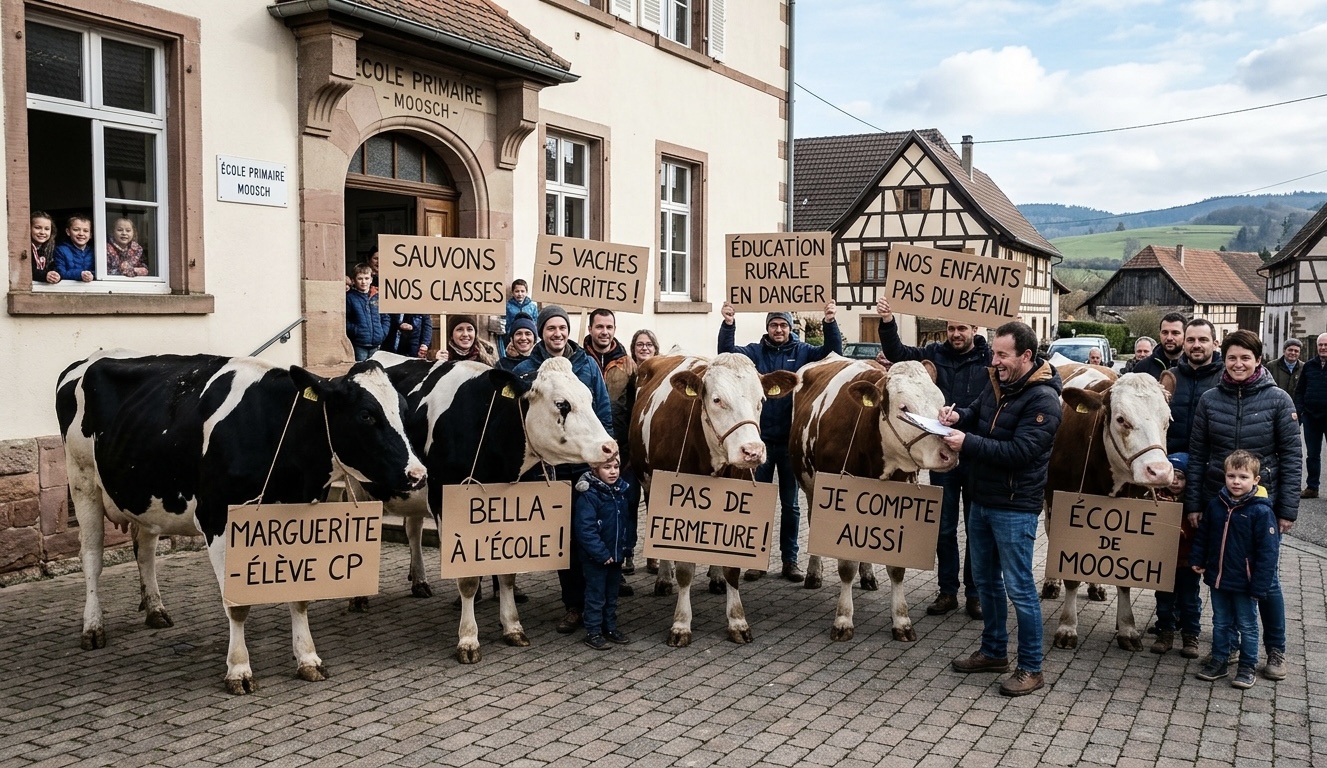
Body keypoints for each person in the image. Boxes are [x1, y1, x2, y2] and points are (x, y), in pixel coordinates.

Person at [940, 321, 1061, 697]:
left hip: (1014, 506)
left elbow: (1021, 453)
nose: (994, 361)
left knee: (1020, 588)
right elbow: (976, 411)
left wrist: (967, 442)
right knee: (988, 582)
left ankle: (1031, 667)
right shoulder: (998, 383)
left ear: (1026, 356)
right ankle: (993, 651)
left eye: (1002, 355)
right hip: (983, 500)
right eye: (994, 353)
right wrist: (955, 418)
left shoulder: (1044, 400)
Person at [1186, 329, 1299, 683]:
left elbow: (1293, 456)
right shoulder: (1209, 399)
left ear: (1258, 361)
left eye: (1245, 358)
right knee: (1223, 578)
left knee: (1267, 581)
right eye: (1232, 357)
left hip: (1261, 508)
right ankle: (1228, 646)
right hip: (1218, 503)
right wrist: (1195, 503)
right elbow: (1198, 454)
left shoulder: (1279, 399)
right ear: (1225, 358)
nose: (1238, 364)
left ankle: (1275, 648)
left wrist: (1287, 510)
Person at [876, 296, 990, 619]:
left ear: (975, 329)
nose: (956, 334)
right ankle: (948, 591)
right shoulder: (934, 354)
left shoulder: (989, 359)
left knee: (976, 527)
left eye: (962, 329)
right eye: (951, 328)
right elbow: (899, 354)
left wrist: (1020, 331)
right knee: (943, 527)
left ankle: (975, 593)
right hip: (940, 452)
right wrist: (887, 322)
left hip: (975, 451)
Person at [720, 301, 842, 582]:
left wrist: (829, 321)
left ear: (791, 328)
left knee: (791, 506)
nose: (779, 329)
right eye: (774, 325)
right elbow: (727, 352)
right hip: (758, 444)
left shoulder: (803, 353)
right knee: (755, 503)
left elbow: (832, 351)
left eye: (783, 325)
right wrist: (728, 324)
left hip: (790, 445)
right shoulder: (753, 353)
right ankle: (756, 560)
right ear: (767, 328)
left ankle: (790, 561)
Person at [513, 305, 614, 633]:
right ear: (542, 331)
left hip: (584, 465)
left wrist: (607, 455)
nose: (557, 333)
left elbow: (602, 411)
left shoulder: (586, 365)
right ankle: (574, 605)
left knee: (591, 533)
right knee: (566, 539)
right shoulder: (528, 369)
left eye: (562, 327)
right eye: (550, 328)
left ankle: (598, 605)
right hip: (550, 468)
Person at [1189, 450, 1280, 689]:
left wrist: (1260, 585)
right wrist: (1198, 558)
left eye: (1243, 477)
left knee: (1247, 625)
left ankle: (1247, 665)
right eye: (1231, 476)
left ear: (1256, 480)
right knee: (1220, 622)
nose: (1236, 482)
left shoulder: (1261, 511)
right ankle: (1219, 660)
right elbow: (1204, 535)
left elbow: (1268, 554)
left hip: (1245, 583)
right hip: (1218, 578)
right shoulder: (1216, 505)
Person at [583, 309, 639, 584]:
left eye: (609, 326)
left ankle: (619, 570)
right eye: (599, 326)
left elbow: (636, 407)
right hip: (584, 450)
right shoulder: (578, 361)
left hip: (620, 451)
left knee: (620, 511)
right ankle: (589, 572)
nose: (604, 332)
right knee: (591, 513)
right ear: (590, 328)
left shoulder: (628, 365)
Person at [573, 456, 634, 650]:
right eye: (607, 467)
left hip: (615, 555)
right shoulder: (589, 496)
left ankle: (610, 627)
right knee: (596, 595)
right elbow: (585, 529)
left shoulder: (620, 492)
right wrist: (600, 553)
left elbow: (626, 522)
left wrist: (626, 546)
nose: (613, 471)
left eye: (616, 466)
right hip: (596, 558)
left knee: (612, 594)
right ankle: (593, 631)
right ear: (594, 469)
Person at [1150, 453, 1201, 656]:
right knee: (1163, 599)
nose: (1176, 482)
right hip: (1164, 560)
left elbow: (1201, 535)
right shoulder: (1156, 499)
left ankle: (1191, 636)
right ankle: (1165, 633)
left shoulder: (1195, 505)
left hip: (1187, 561)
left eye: (1181, 477)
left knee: (1190, 600)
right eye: (1172, 476)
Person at [1166, 318, 1223, 454]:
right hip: (1172, 459)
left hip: (1211, 461)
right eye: (1191, 340)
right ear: (1184, 343)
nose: (1196, 345)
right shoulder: (1169, 377)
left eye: (1203, 340)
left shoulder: (1226, 378)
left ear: (1215, 344)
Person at [1295, 333, 1327, 498]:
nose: (1322, 348)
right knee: (1312, 455)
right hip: (1311, 417)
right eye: (1320, 345)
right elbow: (1300, 391)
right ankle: (1312, 487)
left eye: (1326, 345)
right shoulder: (1309, 366)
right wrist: (1300, 410)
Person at [345, 262, 388, 362]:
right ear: (354, 280)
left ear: (371, 279)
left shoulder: (377, 296)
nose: (363, 282)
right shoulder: (350, 297)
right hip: (360, 343)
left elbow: (385, 317)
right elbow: (345, 319)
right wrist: (356, 331)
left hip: (377, 342)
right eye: (360, 279)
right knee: (361, 370)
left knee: (375, 369)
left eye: (366, 278)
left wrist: (382, 332)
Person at [1132, 313, 1186, 379]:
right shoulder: (1142, 368)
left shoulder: (1193, 367)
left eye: (1175, 333)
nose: (1169, 338)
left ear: (1185, 335)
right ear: (1159, 334)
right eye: (1165, 332)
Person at [53, 214, 95, 283]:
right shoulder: (60, 250)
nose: (81, 233)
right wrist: (80, 274)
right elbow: (60, 273)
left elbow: (103, 272)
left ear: (90, 235)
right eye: (76, 230)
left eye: (85, 231)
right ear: (68, 232)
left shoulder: (94, 251)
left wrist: (92, 275)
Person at [503, 279, 538, 349]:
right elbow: (505, 321)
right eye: (517, 291)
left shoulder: (532, 306)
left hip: (528, 336)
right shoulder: (508, 306)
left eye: (522, 291)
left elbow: (535, 322)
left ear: (526, 292)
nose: (520, 294)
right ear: (512, 292)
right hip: (512, 335)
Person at [30, 211, 59, 284]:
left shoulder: (52, 248)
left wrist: (57, 275)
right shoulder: (25, 248)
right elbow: (28, 271)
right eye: (37, 228)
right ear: (29, 228)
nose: (42, 232)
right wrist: (45, 275)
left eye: (47, 229)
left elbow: (58, 268)